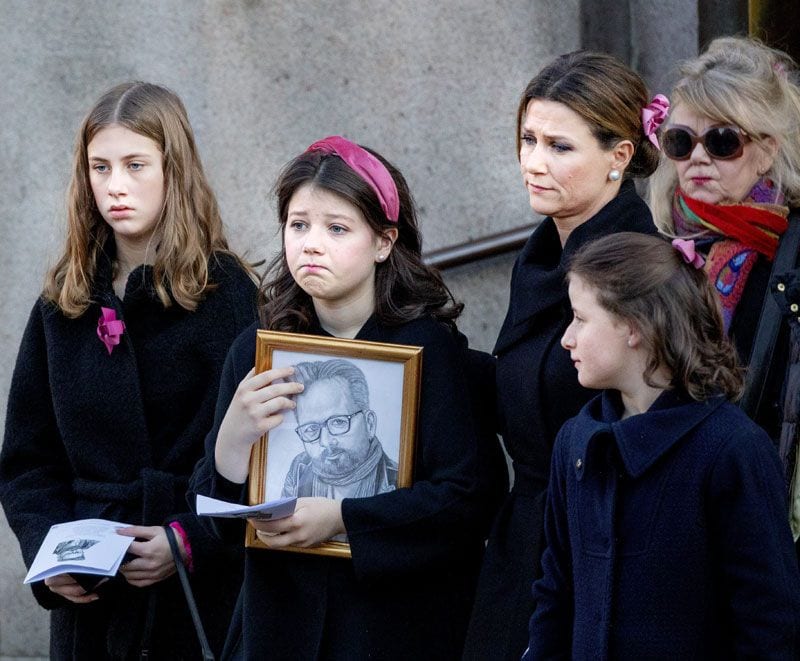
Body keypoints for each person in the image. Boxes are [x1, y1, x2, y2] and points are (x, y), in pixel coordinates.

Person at [188, 135, 497, 660]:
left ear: (383, 242)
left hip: (394, 629)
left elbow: (469, 497)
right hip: (278, 628)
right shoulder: (256, 351)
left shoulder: (427, 350)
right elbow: (216, 525)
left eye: (337, 228)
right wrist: (231, 444)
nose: (311, 243)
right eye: (298, 224)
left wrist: (343, 519)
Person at [0, 82, 258, 659]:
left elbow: (256, 454)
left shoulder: (224, 292)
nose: (115, 185)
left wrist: (188, 539)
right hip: (91, 602)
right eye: (100, 166)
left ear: (174, 170)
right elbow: (26, 460)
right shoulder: (63, 301)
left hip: (194, 599)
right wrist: (47, 552)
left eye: (136, 164)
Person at [464, 51, 662, 660]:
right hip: (526, 537)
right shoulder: (542, 255)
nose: (533, 163)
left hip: (603, 550)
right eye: (527, 139)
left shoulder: (641, 272)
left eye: (559, 146)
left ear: (619, 157)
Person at [523, 232, 800, 659]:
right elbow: (555, 592)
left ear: (634, 326)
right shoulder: (575, 441)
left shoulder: (733, 450)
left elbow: (769, 621)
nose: (567, 338)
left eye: (580, 318)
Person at [649, 37, 800, 533]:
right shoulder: (659, 245)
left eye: (722, 141)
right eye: (680, 141)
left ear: (765, 151)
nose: (697, 157)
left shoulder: (791, 252)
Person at [282, 359, 398, 499]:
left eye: (338, 422)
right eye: (311, 428)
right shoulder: (299, 469)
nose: (325, 441)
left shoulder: (399, 482)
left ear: (369, 423)